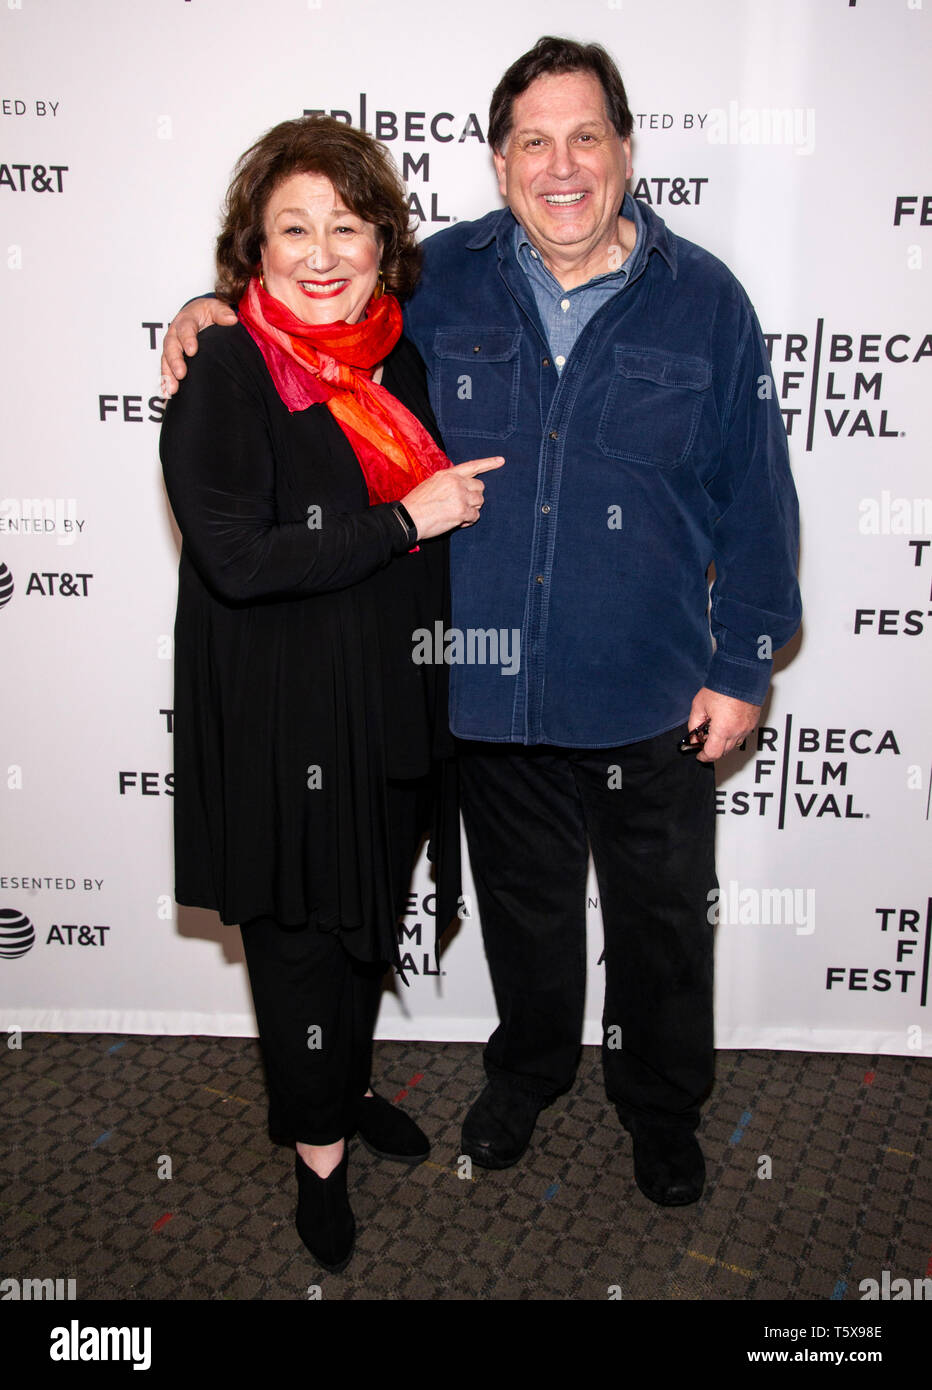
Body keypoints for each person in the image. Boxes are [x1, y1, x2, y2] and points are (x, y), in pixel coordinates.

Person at [160, 37, 801, 1210]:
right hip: (485, 689)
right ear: (499, 162)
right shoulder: (437, 283)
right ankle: (526, 1075)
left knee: (660, 931)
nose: (560, 166)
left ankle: (660, 1109)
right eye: (531, 142)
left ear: (622, 148)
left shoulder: (706, 301)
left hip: (649, 691)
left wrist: (741, 661)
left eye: (584, 137)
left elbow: (755, 497)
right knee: (525, 918)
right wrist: (206, 307)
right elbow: (308, 316)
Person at [159, 114, 502, 1273]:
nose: (319, 253)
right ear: (249, 250)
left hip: (387, 705)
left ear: (380, 241)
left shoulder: (391, 353)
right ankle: (315, 1153)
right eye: (291, 229)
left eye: (343, 227)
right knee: (302, 936)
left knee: (362, 917)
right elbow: (238, 559)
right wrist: (410, 517)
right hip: (279, 717)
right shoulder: (226, 367)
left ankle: (339, 1087)